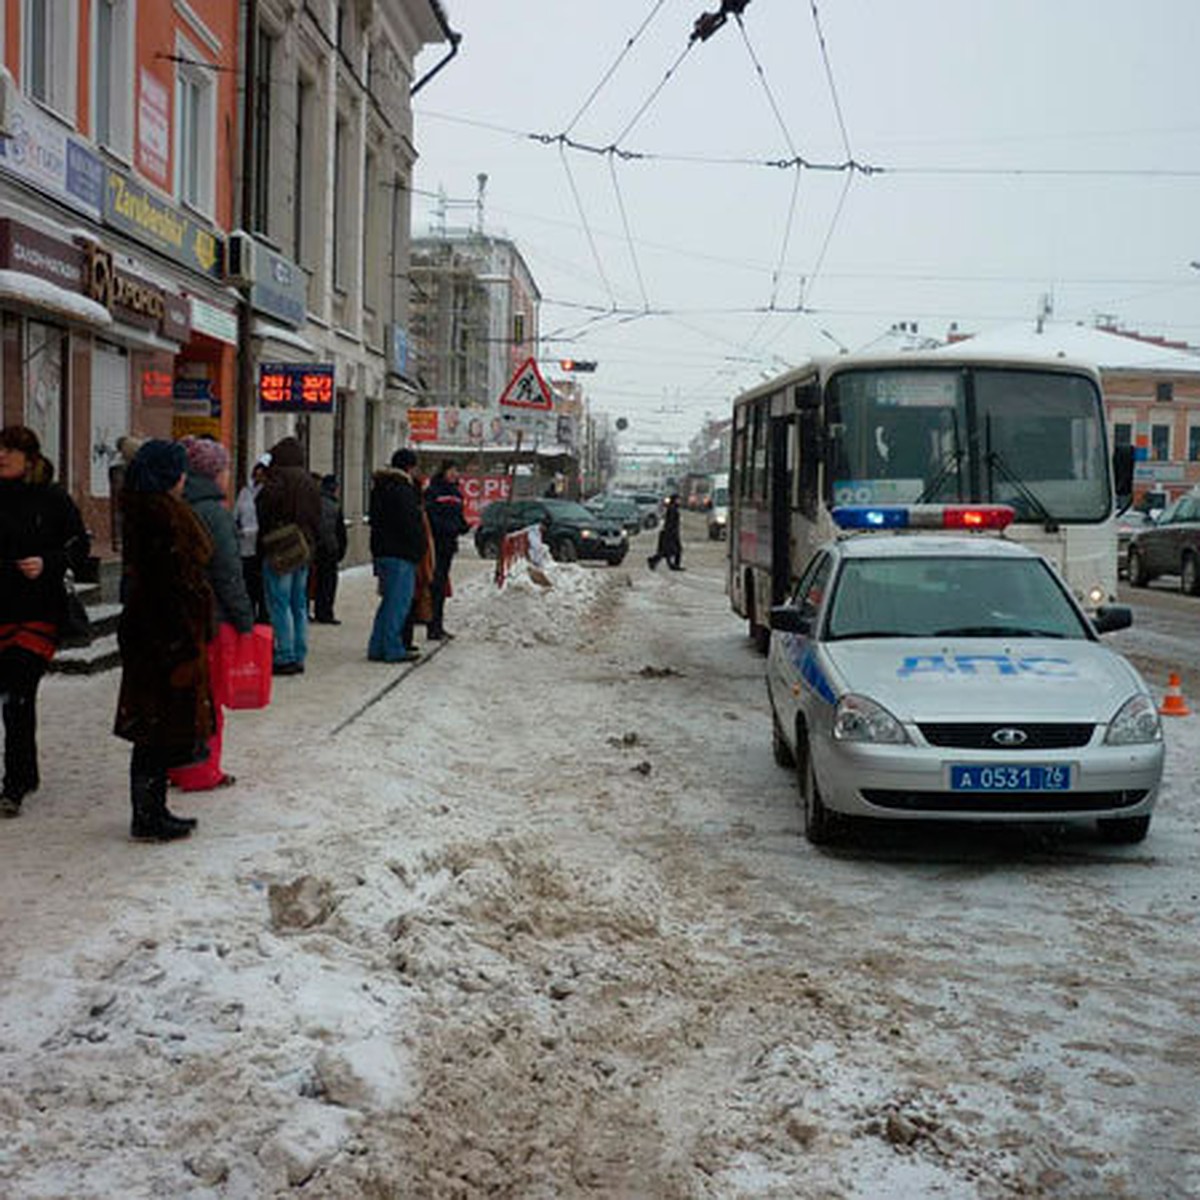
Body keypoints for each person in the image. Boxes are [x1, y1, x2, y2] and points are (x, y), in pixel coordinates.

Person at [113, 439, 213, 841]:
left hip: (157, 634)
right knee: (154, 728)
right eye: (179, 470)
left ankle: (154, 808)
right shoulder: (159, 517)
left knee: (157, 727)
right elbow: (165, 586)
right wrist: (180, 642)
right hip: (162, 637)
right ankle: (147, 815)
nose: (184, 478)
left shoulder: (154, 512)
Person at [0, 426, 90, 818]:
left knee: (18, 694)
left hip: (38, 613)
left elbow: (79, 545)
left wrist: (48, 563)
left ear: (30, 456)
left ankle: (15, 784)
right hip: (0, 606)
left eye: (9, 450)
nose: (2, 456)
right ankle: (25, 772)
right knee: (12, 697)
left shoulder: (52, 498)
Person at [167, 437, 254, 792]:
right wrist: (244, 618)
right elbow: (227, 573)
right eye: (225, 469)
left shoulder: (171, 505)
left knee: (181, 696)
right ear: (214, 473)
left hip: (175, 617)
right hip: (209, 619)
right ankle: (202, 770)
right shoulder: (215, 514)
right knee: (208, 696)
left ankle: (175, 765)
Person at [256, 437, 321, 676]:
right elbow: (318, 517)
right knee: (299, 603)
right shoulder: (309, 481)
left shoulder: (278, 478)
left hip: (280, 547)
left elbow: (263, 507)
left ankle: (284, 655)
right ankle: (299, 653)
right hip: (303, 548)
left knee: (279, 602)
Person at [367, 448, 427, 663]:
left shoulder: (381, 487)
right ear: (410, 467)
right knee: (398, 604)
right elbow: (410, 524)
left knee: (388, 603)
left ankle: (377, 646)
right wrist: (419, 548)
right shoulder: (403, 490)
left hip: (383, 551)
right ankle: (392, 648)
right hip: (401, 552)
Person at [423, 460, 470, 641]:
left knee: (441, 586)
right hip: (435, 544)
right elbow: (431, 518)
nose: (454, 474)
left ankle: (438, 625)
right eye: (451, 470)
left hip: (449, 544)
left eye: (456, 471)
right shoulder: (433, 491)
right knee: (435, 584)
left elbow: (458, 517)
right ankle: (431, 625)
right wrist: (450, 528)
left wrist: (463, 526)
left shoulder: (457, 493)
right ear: (443, 472)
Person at [234, 453, 270, 622]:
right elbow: (236, 514)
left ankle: (262, 620)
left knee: (262, 588)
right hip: (245, 547)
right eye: (258, 470)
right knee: (248, 586)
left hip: (262, 546)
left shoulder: (270, 492)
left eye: (263, 471)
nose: (259, 474)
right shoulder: (245, 491)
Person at [313, 474, 348, 624]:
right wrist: (340, 550)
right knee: (328, 583)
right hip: (329, 549)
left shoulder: (315, 502)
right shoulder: (334, 505)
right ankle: (325, 612)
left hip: (317, 548)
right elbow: (340, 531)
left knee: (318, 581)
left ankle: (318, 610)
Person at [647, 493, 684, 571]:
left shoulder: (673, 508)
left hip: (670, 532)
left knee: (668, 551)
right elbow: (670, 522)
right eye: (678, 499)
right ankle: (672, 565)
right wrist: (672, 532)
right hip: (670, 533)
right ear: (674, 500)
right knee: (672, 550)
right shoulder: (672, 509)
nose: (679, 501)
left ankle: (671, 564)